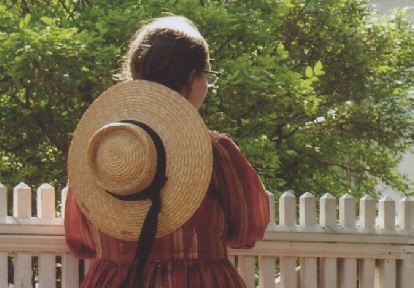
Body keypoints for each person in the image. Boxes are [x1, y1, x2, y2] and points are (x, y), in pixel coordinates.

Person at [65, 15, 270, 288]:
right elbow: (248, 229)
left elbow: (81, 241)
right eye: (207, 76)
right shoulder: (214, 153)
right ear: (191, 78)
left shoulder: (99, 153)